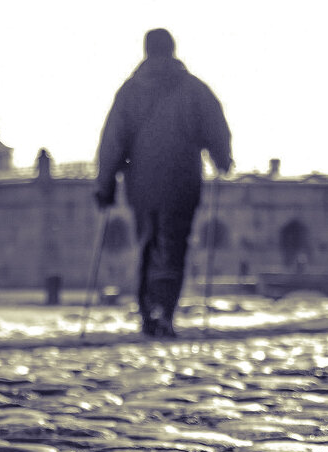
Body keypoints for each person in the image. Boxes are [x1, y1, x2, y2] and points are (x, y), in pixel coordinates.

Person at [95, 28, 232, 337]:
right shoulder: (195, 89)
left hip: (141, 185)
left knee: (148, 244)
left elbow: (113, 142)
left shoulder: (129, 91)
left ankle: (148, 313)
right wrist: (222, 158)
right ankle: (165, 312)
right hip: (183, 182)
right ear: (173, 49)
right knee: (174, 246)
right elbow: (216, 128)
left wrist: (105, 185)